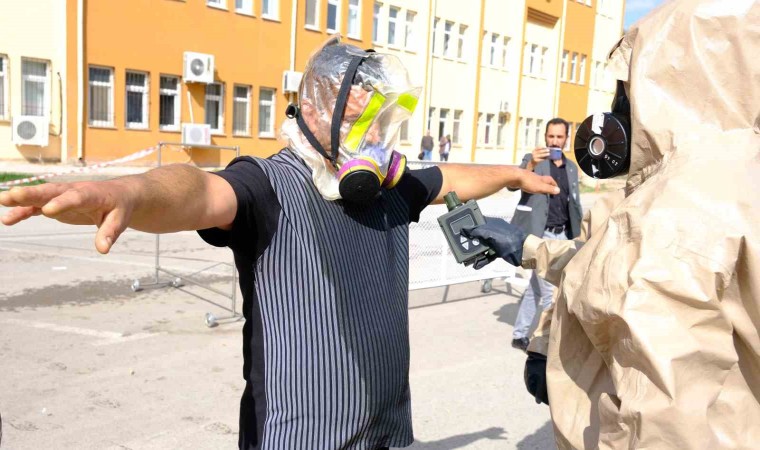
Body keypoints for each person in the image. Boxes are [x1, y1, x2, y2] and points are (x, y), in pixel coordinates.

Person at [0, 37, 559, 450]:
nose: (373, 137)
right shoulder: (267, 184)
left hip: (384, 431)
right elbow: (199, 190)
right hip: (294, 436)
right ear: (311, 110)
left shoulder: (388, 185)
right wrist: (131, 191)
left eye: (382, 122)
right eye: (360, 119)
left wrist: (513, 175)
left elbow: (450, 177)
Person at [464, 1, 760, 448]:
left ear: (665, 84)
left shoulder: (673, 211)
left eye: (624, 89)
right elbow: (612, 270)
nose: (614, 111)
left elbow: (661, 423)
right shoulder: (732, 179)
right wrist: (526, 248)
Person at [508, 118, 582, 352]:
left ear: (566, 139)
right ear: (545, 137)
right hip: (542, 235)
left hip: (564, 236)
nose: (555, 141)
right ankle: (548, 344)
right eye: (551, 136)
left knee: (537, 288)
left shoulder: (571, 168)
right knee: (551, 292)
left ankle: (520, 334)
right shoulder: (535, 163)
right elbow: (512, 183)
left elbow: (574, 204)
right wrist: (530, 163)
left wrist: (579, 235)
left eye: (559, 137)